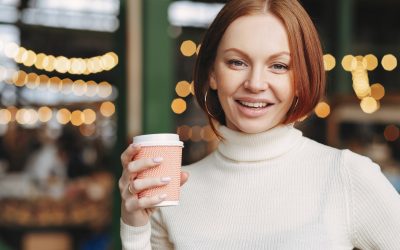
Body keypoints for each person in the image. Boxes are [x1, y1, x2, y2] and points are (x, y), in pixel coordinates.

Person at [119, 0, 400, 249]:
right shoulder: (174, 191)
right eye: (237, 62)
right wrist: (134, 229)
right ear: (212, 74)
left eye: (278, 66)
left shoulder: (346, 176)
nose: (255, 84)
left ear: (300, 80)